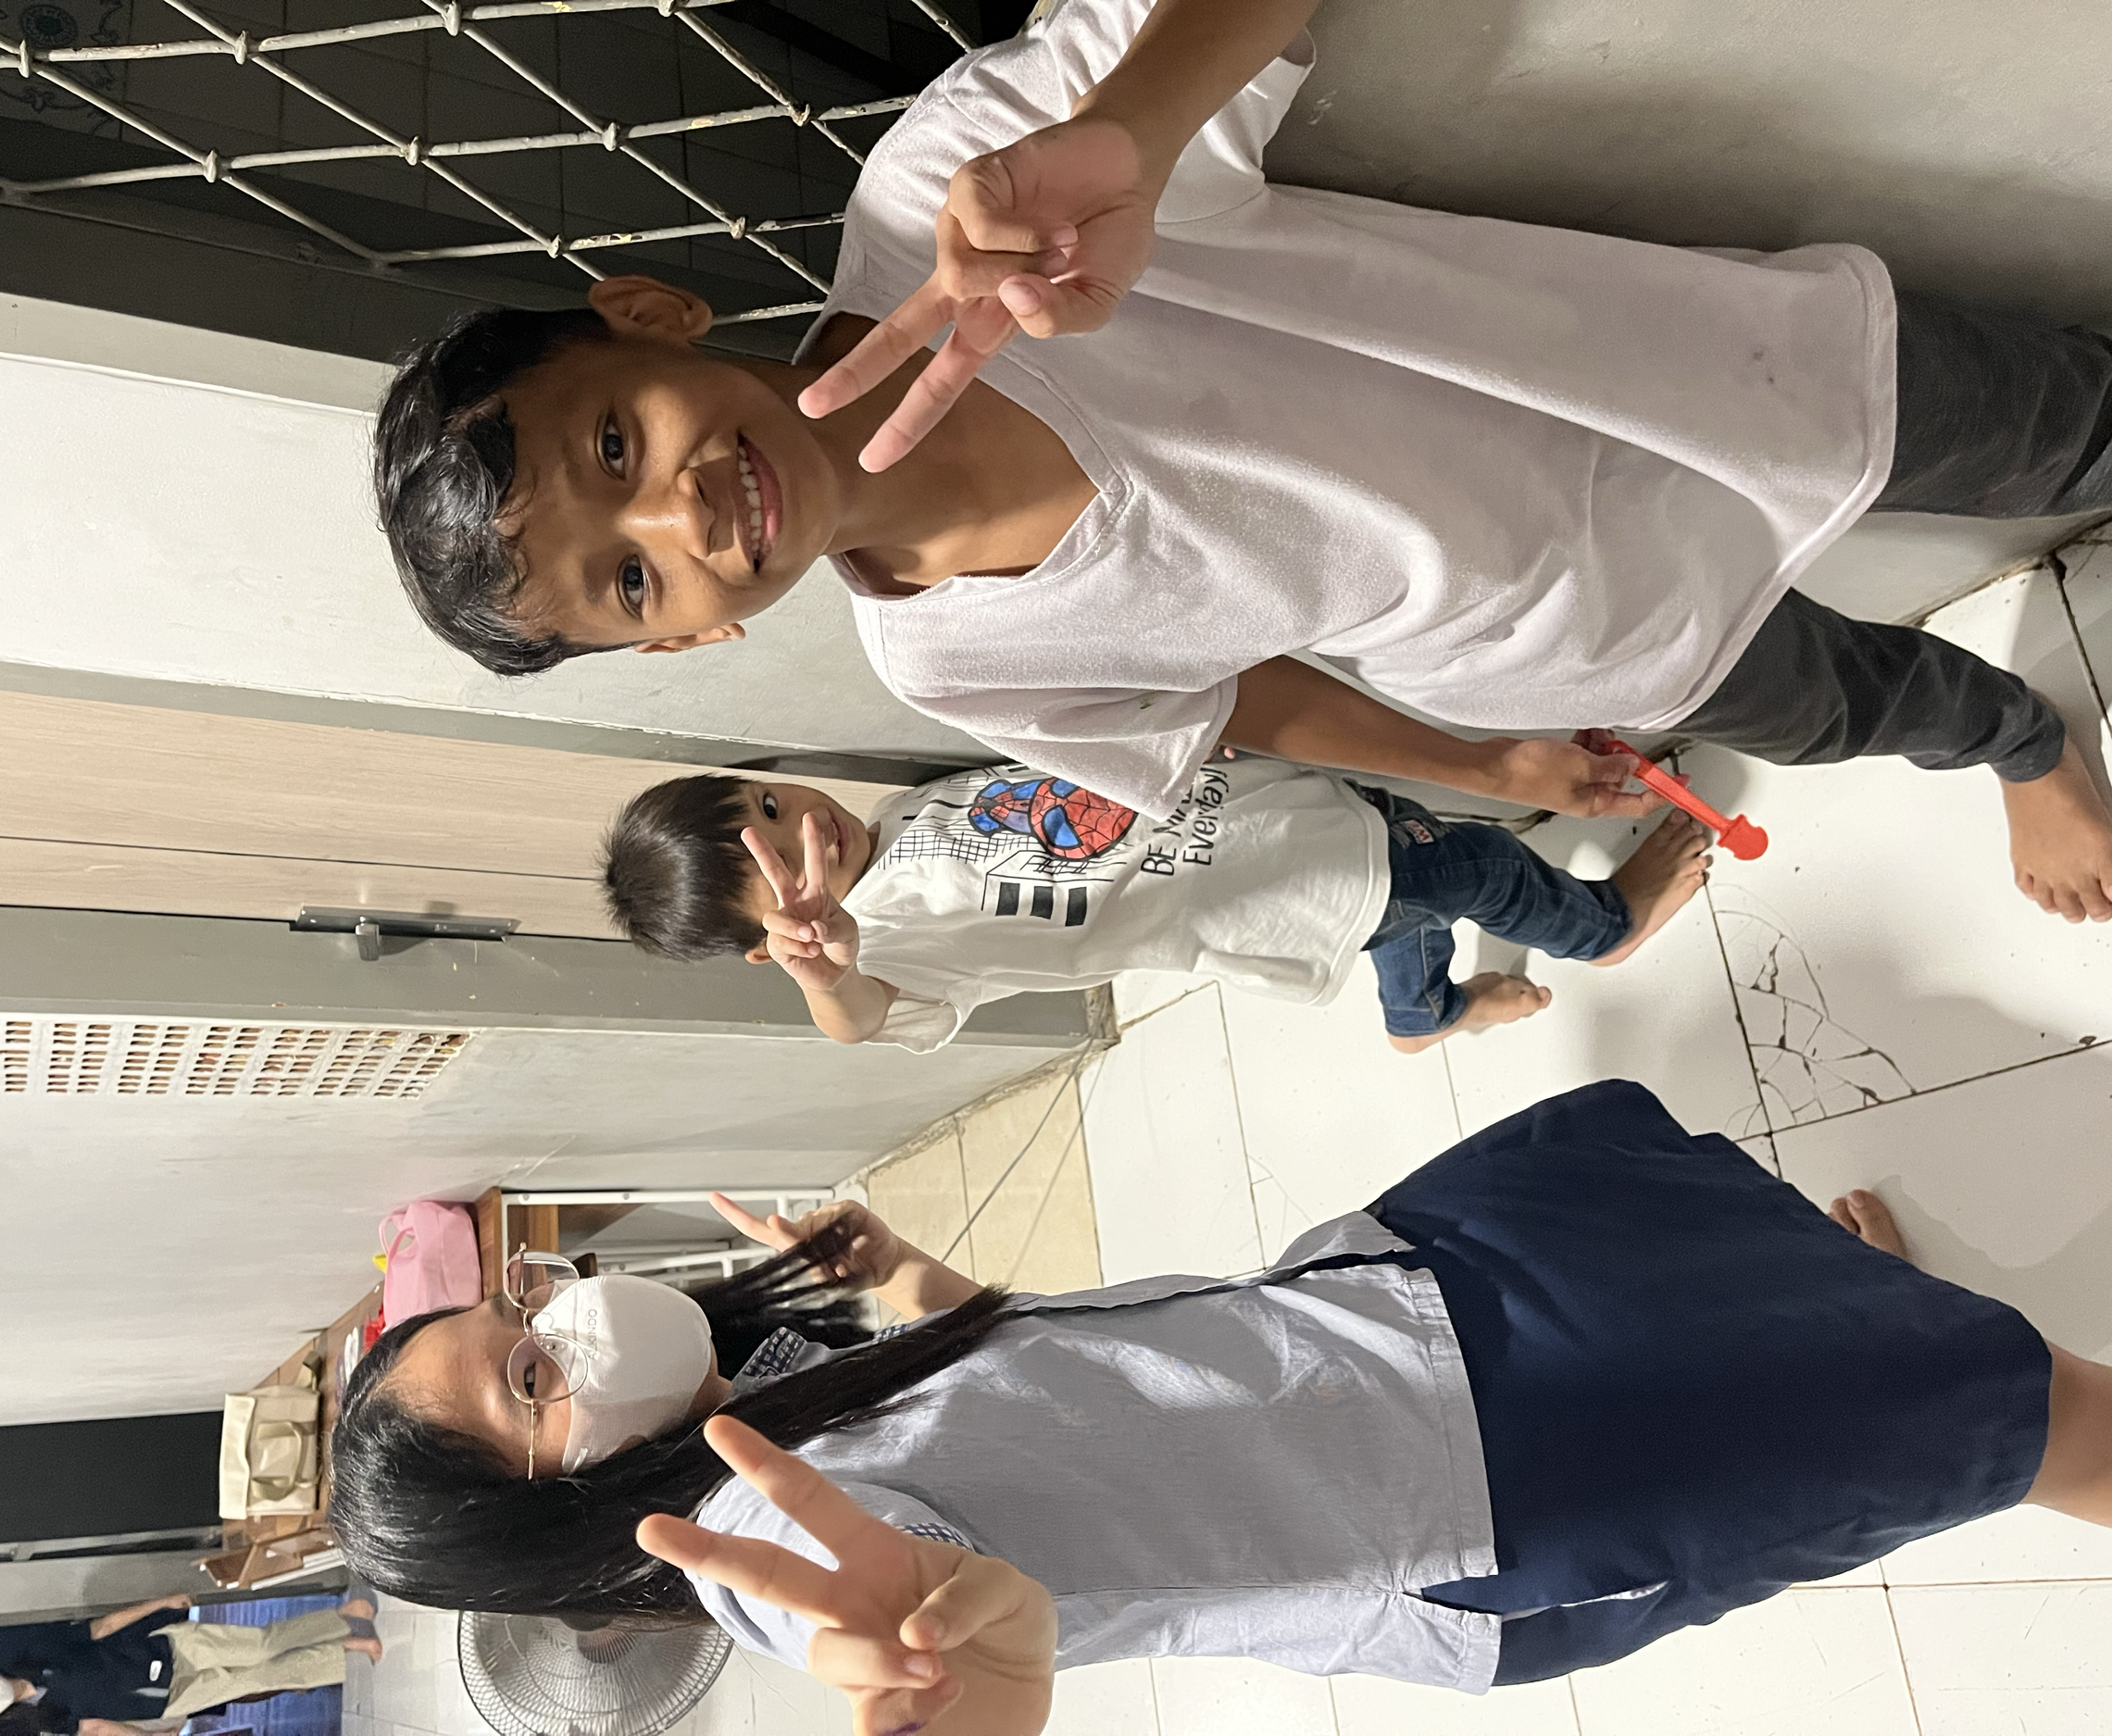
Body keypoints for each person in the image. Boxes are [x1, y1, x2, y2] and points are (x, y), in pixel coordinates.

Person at [371, 0, 2112, 925]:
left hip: (1688, 376)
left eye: (615, 443)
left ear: (652, 316)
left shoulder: (939, 204)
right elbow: (1237, 699)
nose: (680, 512)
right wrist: (1482, 759)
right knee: (1850, 705)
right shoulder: (945, 653)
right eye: (628, 577)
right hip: (1576, 636)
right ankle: (2030, 739)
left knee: (2047, 416)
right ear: (683, 642)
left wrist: (1125, 130)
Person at [323, 1080, 2112, 1730]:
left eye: (523, 1307)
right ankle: (1889, 1394)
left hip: (1388, 1307)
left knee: (1731, 1243)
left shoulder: (765, 1379)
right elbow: (914, 1608)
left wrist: (901, 1282)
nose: (568, 1316)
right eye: (534, 1378)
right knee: (2013, 1413)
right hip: (1490, 1472)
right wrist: (943, 1662)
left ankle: (1838, 1320)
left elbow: (1029, 1372)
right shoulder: (750, 1538)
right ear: (553, 1510)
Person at [602, 761, 1712, 1050]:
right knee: (1471, 871)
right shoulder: (888, 940)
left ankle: (1421, 1018)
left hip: (1280, 820)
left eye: (767, 803)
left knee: (1404, 921)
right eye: (778, 871)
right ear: (771, 941)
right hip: (1294, 884)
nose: (807, 831)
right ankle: (1607, 925)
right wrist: (829, 971)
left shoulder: (895, 813)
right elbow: (864, 1022)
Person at [0, 1595, 382, 1733]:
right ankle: (349, 1650)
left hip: (169, 1651)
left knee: (264, 1646)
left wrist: (162, 1603)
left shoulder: (40, 1650)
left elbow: (102, 1627)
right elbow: (97, 1728)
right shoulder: (44, 1719)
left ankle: (340, 1617)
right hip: (168, 1701)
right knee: (266, 1677)